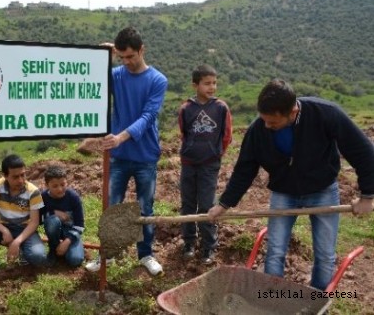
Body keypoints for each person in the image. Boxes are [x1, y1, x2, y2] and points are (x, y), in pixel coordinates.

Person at [208, 79, 374, 290]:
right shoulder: (258, 129)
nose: (267, 126)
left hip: (322, 189)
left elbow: (363, 152)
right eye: (264, 120)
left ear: (293, 111)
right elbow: (245, 169)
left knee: (324, 254)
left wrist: (368, 195)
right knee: (275, 250)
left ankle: (316, 301)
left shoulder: (325, 114)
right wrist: (224, 204)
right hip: (283, 192)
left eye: (273, 122)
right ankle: (272, 299)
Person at [85, 26, 168, 275]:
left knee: (145, 208)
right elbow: (92, 84)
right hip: (118, 156)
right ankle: (107, 256)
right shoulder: (117, 75)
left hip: (145, 155)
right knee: (112, 207)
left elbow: (148, 116)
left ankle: (146, 255)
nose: (127, 62)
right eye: (122, 58)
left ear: (142, 50)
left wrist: (120, 137)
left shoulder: (157, 80)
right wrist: (102, 59)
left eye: (131, 56)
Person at [178, 64, 232, 265]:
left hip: (210, 164)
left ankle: (209, 246)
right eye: (207, 83)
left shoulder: (220, 108)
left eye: (214, 83)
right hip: (189, 163)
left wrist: (216, 155)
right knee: (188, 203)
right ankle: (189, 242)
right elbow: (184, 133)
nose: (212, 87)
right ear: (195, 85)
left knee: (207, 204)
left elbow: (226, 136)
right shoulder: (186, 109)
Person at [40, 165, 86, 267]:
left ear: (67, 182)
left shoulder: (73, 197)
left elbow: (80, 225)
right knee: (52, 221)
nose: (60, 189)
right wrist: (53, 213)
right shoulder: (43, 197)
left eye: (63, 184)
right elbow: (39, 219)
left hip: (71, 231)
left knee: (75, 260)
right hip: (54, 229)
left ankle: (66, 249)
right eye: (55, 186)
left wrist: (67, 241)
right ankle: (53, 249)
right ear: (47, 185)